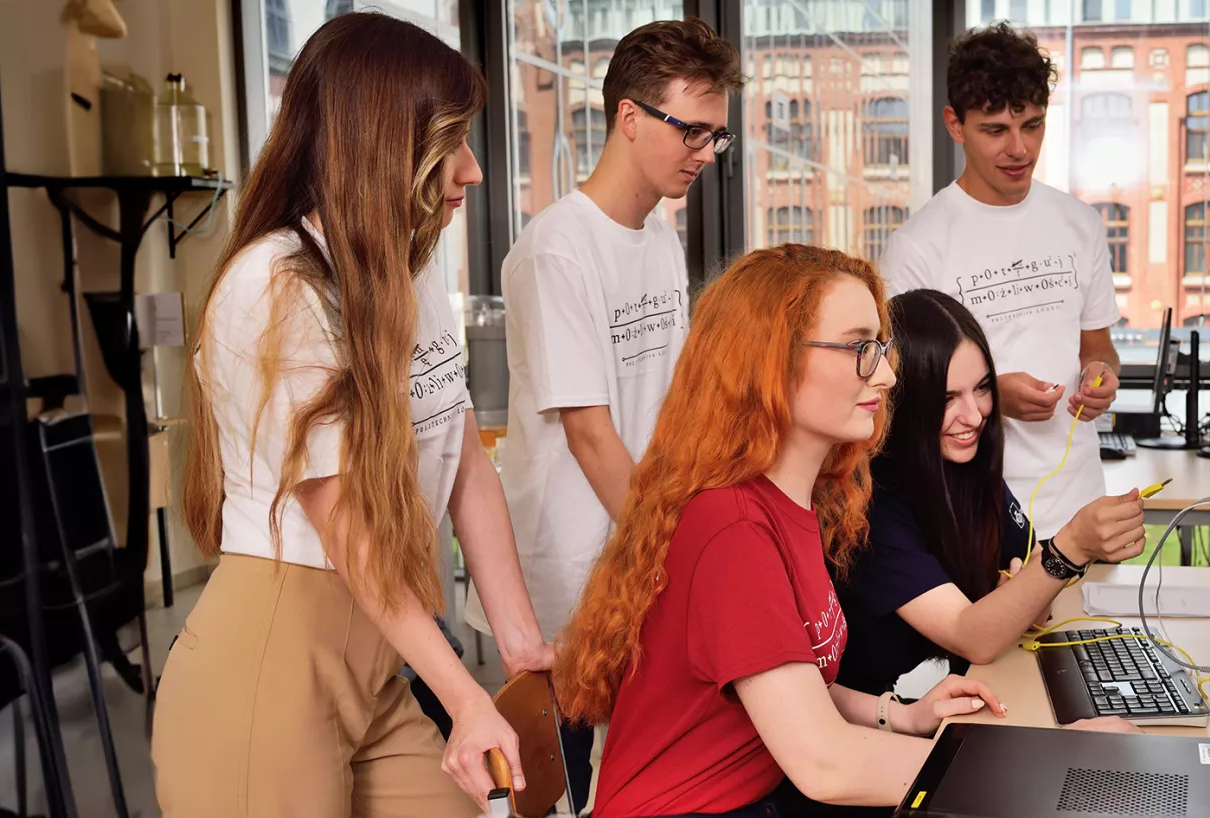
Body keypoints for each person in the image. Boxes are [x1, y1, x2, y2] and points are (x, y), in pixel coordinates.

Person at [553, 245, 1133, 818]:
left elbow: (789, 687)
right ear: (770, 363)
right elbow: (827, 765)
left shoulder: (798, 503)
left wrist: (899, 715)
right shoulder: (733, 529)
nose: (885, 374)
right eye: (860, 348)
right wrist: (1051, 760)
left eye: (879, 348)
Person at [155, 14, 551, 816]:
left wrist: (520, 649)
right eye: (453, 143)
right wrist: (462, 698)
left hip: (375, 664)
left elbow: (464, 459)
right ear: (380, 142)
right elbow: (348, 528)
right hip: (269, 674)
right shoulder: (275, 287)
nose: (471, 171)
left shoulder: (406, 268)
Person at [482, 18, 743, 810]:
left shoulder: (659, 237)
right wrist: (676, 549)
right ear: (630, 117)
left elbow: (667, 406)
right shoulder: (557, 249)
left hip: (638, 543)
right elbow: (590, 433)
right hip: (572, 562)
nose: (703, 152)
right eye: (691, 130)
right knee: (568, 784)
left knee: (638, 768)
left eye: (716, 137)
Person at [835, 290, 1150, 698]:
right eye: (947, 399)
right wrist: (1071, 547)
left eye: (982, 388)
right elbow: (975, 637)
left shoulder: (965, 468)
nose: (975, 415)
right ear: (900, 400)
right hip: (850, 717)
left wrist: (1021, 595)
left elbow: (1031, 591)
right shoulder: (870, 504)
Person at [882, 23, 1121, 546]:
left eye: (1032, 125)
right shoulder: (919, 244)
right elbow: (903, 390)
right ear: (955, 124)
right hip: (975, 511)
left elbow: (1098, 348)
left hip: (1080, 506)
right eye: (995, 130)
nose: (1019, 149)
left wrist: (1101, 375)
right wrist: (992, 392)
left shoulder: (1081, 224)